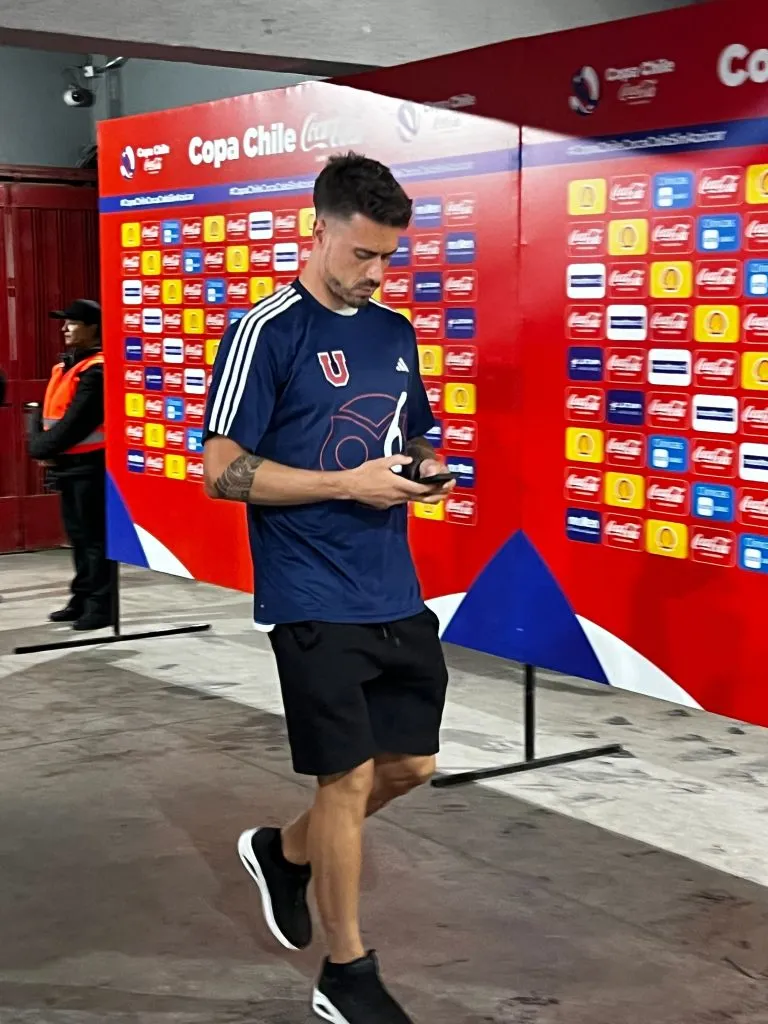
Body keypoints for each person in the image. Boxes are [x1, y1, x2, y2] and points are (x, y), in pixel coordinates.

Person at [203, 152, 454, 1023]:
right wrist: (347, 484)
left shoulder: (393, 332)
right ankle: (346, 974)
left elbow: (417, 434)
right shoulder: (265, 330)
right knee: (345, 780)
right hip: (308, 589)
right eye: (362, 254)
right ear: (318, 231)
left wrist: (426, 468)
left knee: (410, 765)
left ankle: (284, 854)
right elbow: (223, 471)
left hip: (392, 584)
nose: (376, 273)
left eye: (388, 257)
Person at [28, 299, 111, 631]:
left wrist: (41, 448)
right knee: (79, 538)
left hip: (90, 466)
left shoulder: (97, 370)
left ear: (93, 328)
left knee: (94, 540)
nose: (64, 328)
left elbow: (77, 423)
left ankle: (100, 606)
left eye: (73, 322)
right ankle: (82, 598)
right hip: (68, 465)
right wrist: (42, 446)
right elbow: (43, 413)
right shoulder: (65, 366)